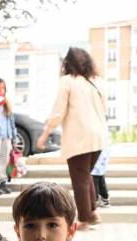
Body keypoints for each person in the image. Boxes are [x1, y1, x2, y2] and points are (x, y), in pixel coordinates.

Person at [36, 47, 106, 231]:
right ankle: (93, 213)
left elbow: (59, 110)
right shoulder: (96, 82)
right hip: (98, 136)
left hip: (80, 136)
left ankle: (84, 219)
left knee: (79, 178)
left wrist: (44, 135)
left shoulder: (68, 81)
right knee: (85, 175)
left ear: (68, 63)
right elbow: (104, 109)